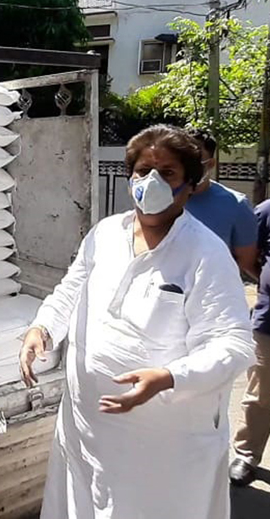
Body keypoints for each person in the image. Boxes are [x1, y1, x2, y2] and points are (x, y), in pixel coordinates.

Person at [20, 125, 254, 519]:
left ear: (191, 184)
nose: (152, 183)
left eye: (167, 174)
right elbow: (70, 289)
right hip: (87, 424)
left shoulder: (205, 253)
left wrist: (168, 376)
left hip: (161, 441)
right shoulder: (105, 233)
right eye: (143, 171)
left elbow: (233, 344)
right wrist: (42, 328)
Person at [230, 198, 270, 485]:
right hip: (269, 323)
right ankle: (247, 454)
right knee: (261, 393)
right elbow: (248, 255)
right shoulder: (266, 211)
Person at [185, 129, 258, 278]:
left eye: (195, 160)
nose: (188, 167)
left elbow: (246, 261)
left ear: (211, 164)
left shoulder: (236, 204)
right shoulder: (160, 200)